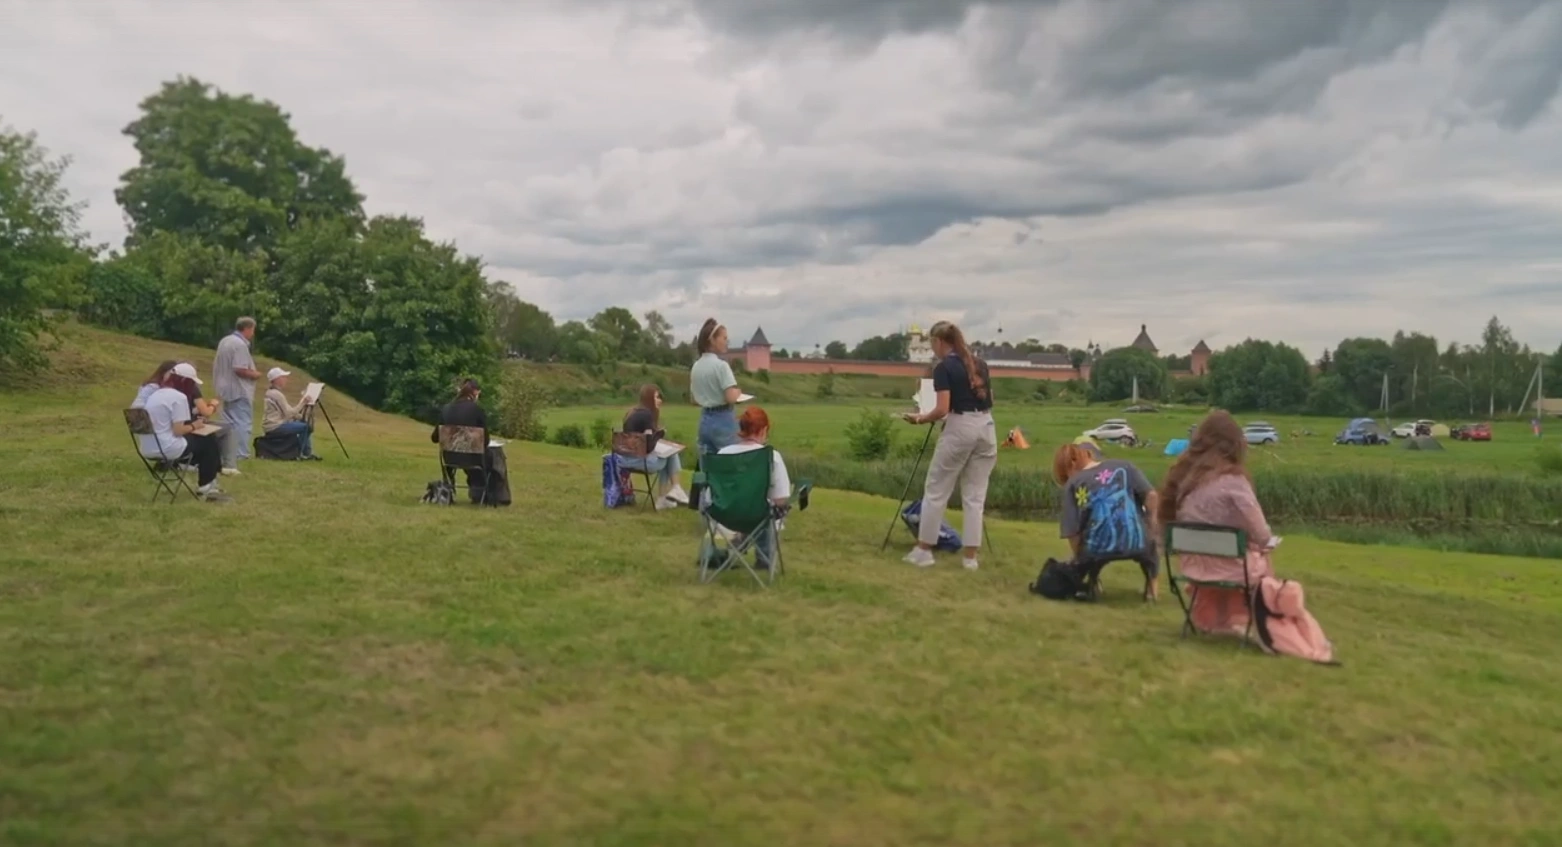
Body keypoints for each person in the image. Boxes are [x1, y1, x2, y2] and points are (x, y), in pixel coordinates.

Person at [899, 321, 997, 570]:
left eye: (933, 344)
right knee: (975, 496)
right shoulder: (980, 364)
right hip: (986, 426)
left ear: (939, 342)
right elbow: (989, 398)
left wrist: (920, 418)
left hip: (960, 427)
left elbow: (942, 408)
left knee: (936, 490)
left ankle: (924, 551)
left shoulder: (944, 368)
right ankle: (970, 558)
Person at [1052, 442, 1161, 601]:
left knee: (1087, 553)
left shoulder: (1073, 484)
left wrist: (1078, 557)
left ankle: (1093, 583)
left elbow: (1072, 531)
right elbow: (1151, 496)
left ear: (1070, 465)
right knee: (1150, 550)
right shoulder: (1125, 466)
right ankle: (1152, 589)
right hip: (1137, 543)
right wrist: (1151, 523)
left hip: (1096, 549)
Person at [706, 406, 791, 569]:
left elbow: (711, 493)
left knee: (753, 508)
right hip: (757, 516)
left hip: (723, 515)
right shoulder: (771, 457)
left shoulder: (722, 455)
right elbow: (781, 499)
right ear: (764, 430)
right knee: (771, 509)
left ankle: (741, 540)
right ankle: (763, 558)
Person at [138, 363, 229, 502]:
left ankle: (206, 479)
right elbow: (178, 430)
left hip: (148, 446)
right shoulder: (179, 397)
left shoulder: (156, 394)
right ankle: (207, 487)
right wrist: (195, 426)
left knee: (203, 442)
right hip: (167, 447)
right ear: (184, 382)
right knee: (208, 440)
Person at [431, 379, 508, 504]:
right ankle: (497, 497)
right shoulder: (477, 410)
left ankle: (477, 494)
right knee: (495, 457)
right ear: (475, 393)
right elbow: (486, 441)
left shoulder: (446, 408)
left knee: (476, 458)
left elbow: (434, 438)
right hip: (474, 458)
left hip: (450, 458)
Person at [619, 383, 689, 510]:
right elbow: (649, 446)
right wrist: (660, 434)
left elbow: (643, 442)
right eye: (656, 397)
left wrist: (656, 437)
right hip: (640, 462)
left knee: (669, 453)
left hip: (625, 459)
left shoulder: (632, 412)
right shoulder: (646, 415)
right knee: (671, 453)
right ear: (649, 398)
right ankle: (672, 491)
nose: (660, 400)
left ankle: (670, 493)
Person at [213, 316, 262, 468]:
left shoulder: (224, 341)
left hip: (224, 388)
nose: (253, 334)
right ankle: (241, 453)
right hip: (238, 389)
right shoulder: (240, 345)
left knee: (228, 423)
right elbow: (239, 368)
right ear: (247, 329)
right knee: (242, 422)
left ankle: (228, 452)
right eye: (252, 330)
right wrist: (255, 374)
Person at [690, 318, 743, 454]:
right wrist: (737, 393)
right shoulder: (721, 366)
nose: (727, 341)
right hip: (723, 419)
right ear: (712, 340)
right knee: (731, 462)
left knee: (708, 466)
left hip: (705, 420)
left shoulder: (696, 366)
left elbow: (694, 399)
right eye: (724, 338)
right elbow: (730, 397)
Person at [262, 367, 319, 460]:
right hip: (275, 426)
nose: (286, 380)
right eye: (283, 377)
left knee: (303, 424)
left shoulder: (272, 393)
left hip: (272, 425)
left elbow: (287, 411)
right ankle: (304, 453)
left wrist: (299, 417)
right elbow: (289, 413)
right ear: (277, 379)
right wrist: (303, 402)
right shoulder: (277, 394)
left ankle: (306, 452)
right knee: (305, 427)